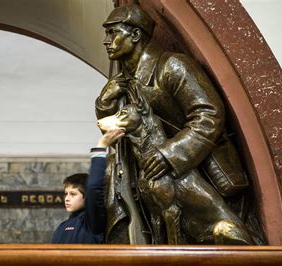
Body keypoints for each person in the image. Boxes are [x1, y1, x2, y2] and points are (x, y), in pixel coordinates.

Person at [96, 4, 254, 244]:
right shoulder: (124, 81)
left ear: (136, 35)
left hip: (198, 174)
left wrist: (168, 154)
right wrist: (105, 100)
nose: (107, 41)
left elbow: (209, 115)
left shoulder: (172, 66)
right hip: (151, 180)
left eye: (113, 32)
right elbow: (118, 124)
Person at [51, 129, 125, 244]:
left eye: (73, 194)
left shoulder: (92, 223)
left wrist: (101, 147)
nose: (67, 198)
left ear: (86, 197)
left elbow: (93, 187)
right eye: (66, 194)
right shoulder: (62, 226)